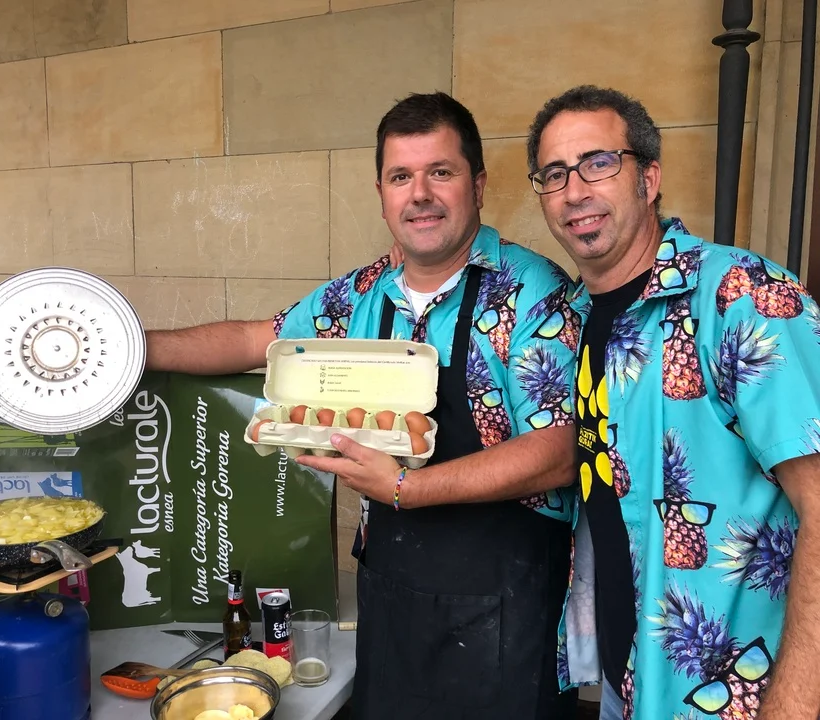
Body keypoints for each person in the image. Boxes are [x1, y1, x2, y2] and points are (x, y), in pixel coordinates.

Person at [146, 91, 580, 718]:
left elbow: (559, 451)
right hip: (395, 594)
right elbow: (252, 339)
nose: (420, 194)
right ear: (381, 194)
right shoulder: (360, 295)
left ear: (478, 185)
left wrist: (406, 488)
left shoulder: (532, 292)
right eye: (401, 177)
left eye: (441, 172)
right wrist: (130, 348)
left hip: (506, 608)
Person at [525, 85, 820, 720]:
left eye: (599, 162)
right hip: (630, 682)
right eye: (554, 173)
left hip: (741, 696)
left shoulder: (741, 296)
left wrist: (794, 706)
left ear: (649, 178)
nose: (575, 190)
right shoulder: (578, 318)